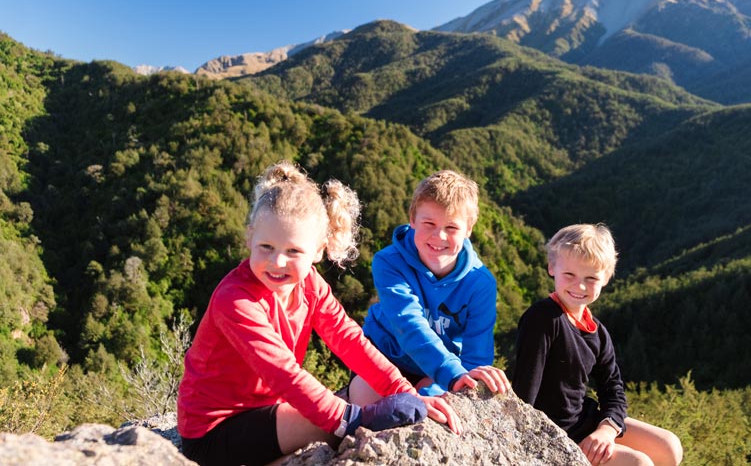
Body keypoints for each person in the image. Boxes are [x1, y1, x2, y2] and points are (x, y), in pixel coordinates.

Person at [177, 162, 461, 466]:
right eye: (266, 247)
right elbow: (283, 373)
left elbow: (349, 339)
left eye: (294, 251)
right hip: (213, 432)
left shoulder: (310, 285)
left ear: (317, 251)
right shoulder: (235, 300)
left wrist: (403, 390)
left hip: (268, 410)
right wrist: (351, 420)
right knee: (341, 425)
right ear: (250, 239)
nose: (278, 261)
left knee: (374, 397)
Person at [513, 223, 683, 466]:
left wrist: (607, 429)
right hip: (556, 428)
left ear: (605, 279)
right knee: (639, 463)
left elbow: (613, 387)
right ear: (552, 268)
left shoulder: (597, 331)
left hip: (583, 418)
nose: (579, 286)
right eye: (569, 275)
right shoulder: (542, 319)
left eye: (591, 278)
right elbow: (524, 390)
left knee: (669, 446)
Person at [349, 169, 510, 405]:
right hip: (384, 355)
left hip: (441, 368)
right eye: (429, 223)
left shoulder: (480, 284)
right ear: (412, 219)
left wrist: (455, 380)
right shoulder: (389, 262)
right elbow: (408, 326)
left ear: (469, 230)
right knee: (370, 407)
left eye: (452, 228)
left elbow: (476, 355)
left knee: (438, 406)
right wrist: (452, 375)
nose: (439, 236)